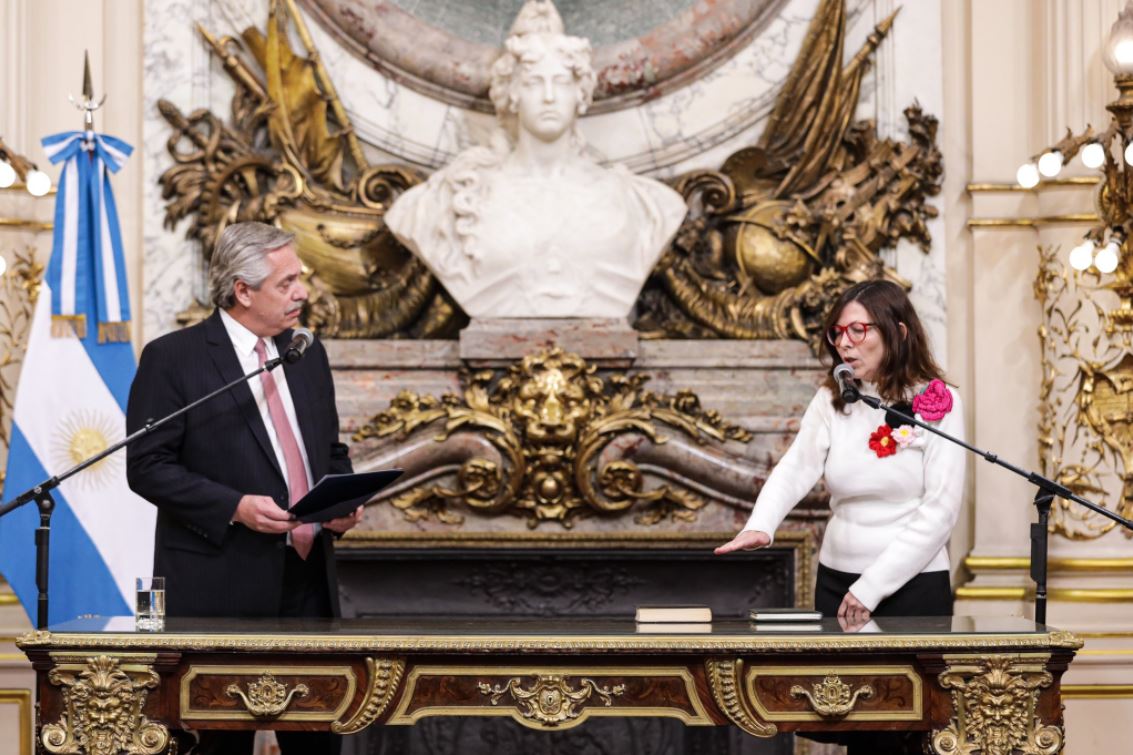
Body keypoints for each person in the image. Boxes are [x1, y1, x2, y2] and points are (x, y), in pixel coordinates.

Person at [126, 221, 360, 755]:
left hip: (306, 582)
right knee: (219, 744)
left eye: (300, 279)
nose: (302, 291)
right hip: (220, 585)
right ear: (243, 291)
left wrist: (343, 498)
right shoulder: (174, 358)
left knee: (317, 740)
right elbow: (147, 465)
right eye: (287, 282)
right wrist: (234, 507)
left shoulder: (306, 351)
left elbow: (328, 452)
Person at [384, 0, 686, 318]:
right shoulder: (453, 198)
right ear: (512, 94)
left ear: (581, 94)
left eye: (561, 83)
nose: (549, 97)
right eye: (533, 83)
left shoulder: (643, 204)